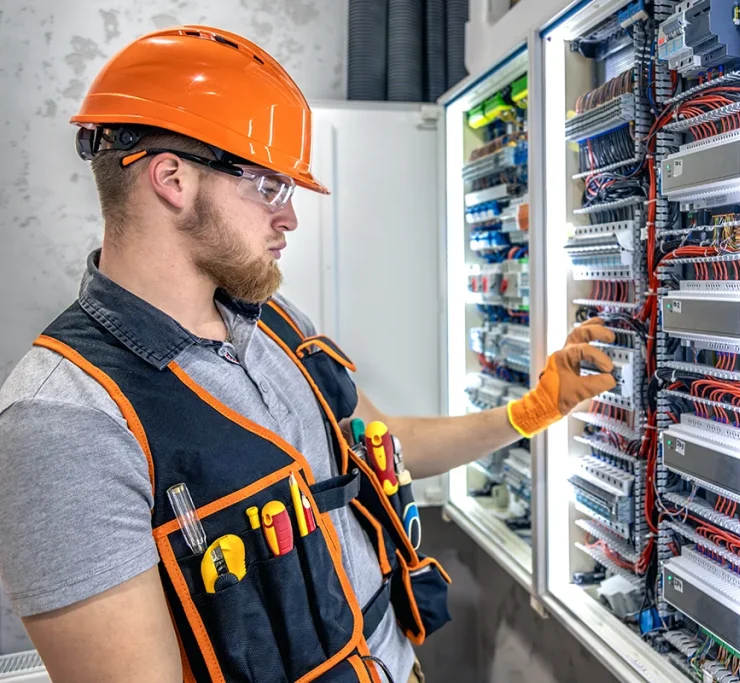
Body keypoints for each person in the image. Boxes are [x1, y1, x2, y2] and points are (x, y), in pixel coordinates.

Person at [0, 25, 617, 683]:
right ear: (173, 179)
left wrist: (530, 411)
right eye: (270, 187)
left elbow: (382, 442)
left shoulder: (276, 326)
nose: (289, 218)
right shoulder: (64, 420)